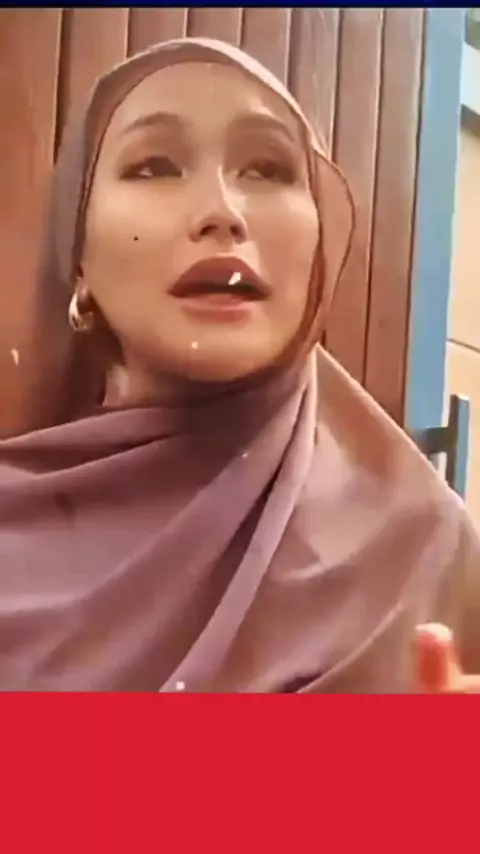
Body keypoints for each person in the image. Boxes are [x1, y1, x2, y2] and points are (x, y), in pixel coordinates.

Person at [1, 37, 479, 692]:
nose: (222, 213)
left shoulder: (423, 554)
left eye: (268, 170)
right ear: (78, 252)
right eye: (154, 166)